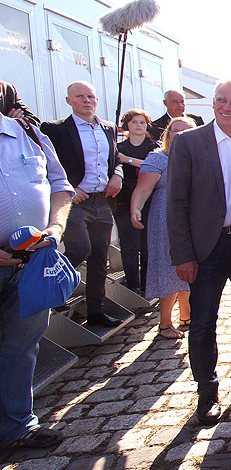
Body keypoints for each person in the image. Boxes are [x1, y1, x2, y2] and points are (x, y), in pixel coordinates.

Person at [166, 80, 231, 425]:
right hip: (206, 247)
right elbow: (176, 202)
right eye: (220, 101)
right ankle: (206, 392)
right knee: (203, 320)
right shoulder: (188, 142)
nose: (226, 107)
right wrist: (182, 255)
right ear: (212, 104)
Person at [0, 111, 73, 449]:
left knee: (24, 345)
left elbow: (60, 186)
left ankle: (18, 427)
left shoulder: (28, 132)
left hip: (32, 262)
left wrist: (55, 229)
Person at [41, 81, 124, 327]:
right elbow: (46, 163)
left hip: (102, 202)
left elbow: (115, 158)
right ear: (69, 101)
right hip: (76, 202)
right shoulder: (55, 130)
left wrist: (117, 175)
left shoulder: (107, 128)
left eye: (90, 96)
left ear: (96, 100)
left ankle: (96, 311)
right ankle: (52, 291)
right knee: (79, 249)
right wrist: (68, 188)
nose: (86, 100)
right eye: (79, 96)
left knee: (100, 258)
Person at [130, 117, 195, 339]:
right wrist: (135, 208)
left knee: (192, 269)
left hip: (194, 218)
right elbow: (142, 189)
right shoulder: (159, 158)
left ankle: (186, 316)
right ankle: (165, 323)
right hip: (165, 219)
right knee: (169, 270)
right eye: (175, 131)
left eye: (186, 131)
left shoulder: (198, 157)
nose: (180, 135)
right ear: (168, 134)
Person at [112, 109, 157, 294]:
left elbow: (151, 164)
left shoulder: (153, 146)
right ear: (127, 125)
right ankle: (133, 285)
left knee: (147, 245)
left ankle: (148, 284)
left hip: (149, 199)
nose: (138, 126)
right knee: (128, 244)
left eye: (142, 123)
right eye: (134, 122)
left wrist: (127, 160)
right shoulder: (119, 148)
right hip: (124, 200)